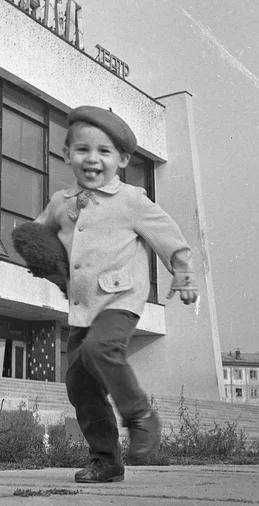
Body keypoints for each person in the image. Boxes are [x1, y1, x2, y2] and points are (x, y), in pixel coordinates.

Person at [34, 105, 198, 484]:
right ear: (66, 154)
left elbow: (169, 237)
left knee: (100, 350)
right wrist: (34, 248)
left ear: (122, 159)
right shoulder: (61, 202)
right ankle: (106, 460)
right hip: (82, 308)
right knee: (80, 385)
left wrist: (183, 272)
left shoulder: (132, 200)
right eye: (82, 150)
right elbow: (39, 234)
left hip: (120, 301)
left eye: (104, 152)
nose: (92, 159)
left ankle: (140, 415)